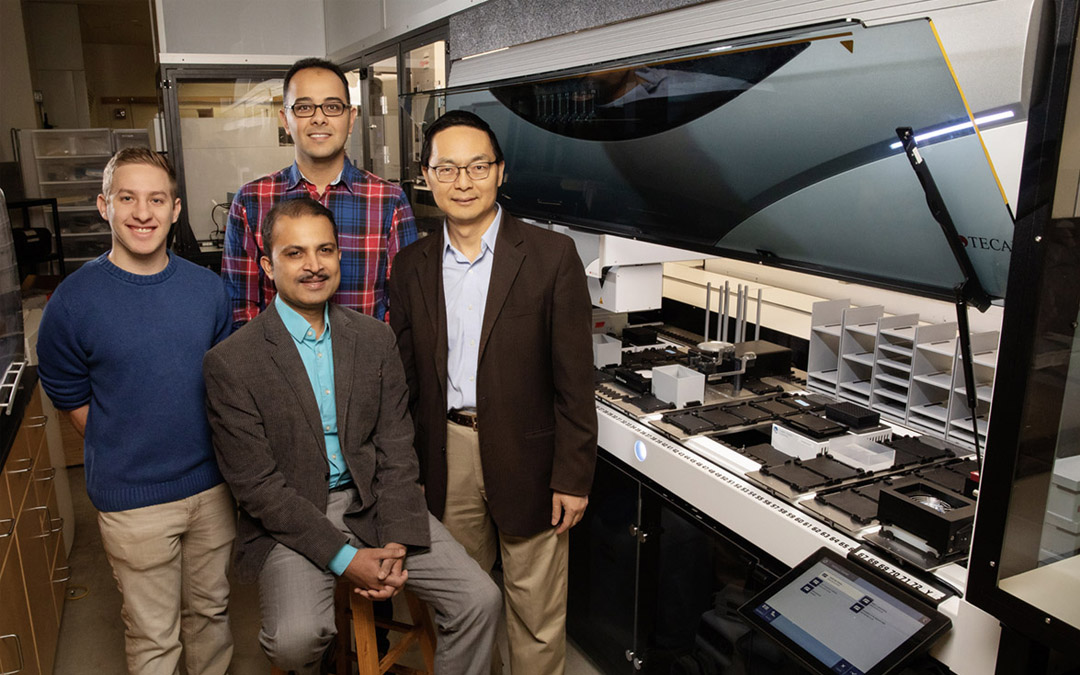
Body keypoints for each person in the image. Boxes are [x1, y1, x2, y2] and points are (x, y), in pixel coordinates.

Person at [203, 197, 500, 675]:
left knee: (480, 600)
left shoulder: (373, 338)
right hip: (295, 515)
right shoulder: (233, 362)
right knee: (294, 642)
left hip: (378, 505)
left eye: (325, 250)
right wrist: (345, 559)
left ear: (340, 256)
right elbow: (257, 487)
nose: (314, 266)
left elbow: (397, 449)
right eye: (295, 253)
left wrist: (400, 538)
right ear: (266, 265)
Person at [388, 110, 598, 674]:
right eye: (447, 168)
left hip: (531, 453)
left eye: (477, 166)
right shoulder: (410, 267)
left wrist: (573, 476)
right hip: (446, 451)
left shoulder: (551, 258)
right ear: (427, 178)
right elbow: (406, 383)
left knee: (535, 610)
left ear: (500, 172)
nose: (463, 181)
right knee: (464, 605)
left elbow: (576, 381)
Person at [37, 147, 234, 675]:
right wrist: (120, 441)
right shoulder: (74, 301)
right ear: (105, 205)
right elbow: (64, 387)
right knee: (153, 637)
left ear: (175, 209)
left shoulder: (209, 291)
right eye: (128, 198)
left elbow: (223, 383)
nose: (143, 213)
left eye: (156, 199)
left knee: (211, 616)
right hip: (133, 502)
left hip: (213, 492)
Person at [222, 57, 417, 330]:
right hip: (278, 368)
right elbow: (241, 309)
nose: (319, 118)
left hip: (368, 367)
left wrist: (374, 365)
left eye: (332, 107)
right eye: (303, 107)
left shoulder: (389, 201)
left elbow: (402, 308)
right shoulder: (252, 200)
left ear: (351, 119)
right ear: (286, 121)